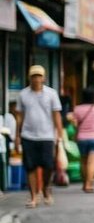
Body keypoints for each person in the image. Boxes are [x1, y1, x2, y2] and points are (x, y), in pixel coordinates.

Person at [18, 66, 64, 208]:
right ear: (29, 78)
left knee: (48, 166)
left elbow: (57, 116)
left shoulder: (51, 94)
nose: (36, 79)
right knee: (30, 167)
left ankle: (45, 189)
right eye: (34, 76)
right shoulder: (23, 94)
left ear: (44, 78)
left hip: (47, 136)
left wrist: (60, 136)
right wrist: (17, 136)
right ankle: (33, 196)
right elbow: (20, 117)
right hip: (28, 135)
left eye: (39, 76)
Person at [68, 87, 94, 193]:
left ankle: (84, 183)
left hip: (82, 138)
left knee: (83, 161)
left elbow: (75, 124)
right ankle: (88, 184)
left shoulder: (77, 109)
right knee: (92, 162)